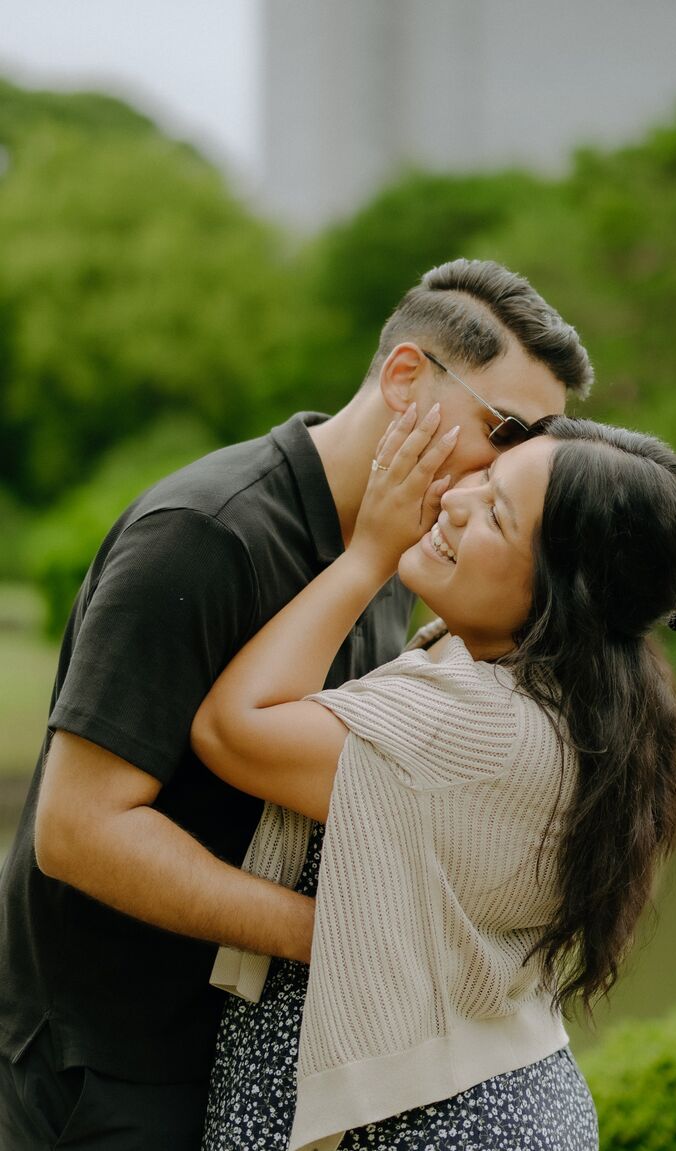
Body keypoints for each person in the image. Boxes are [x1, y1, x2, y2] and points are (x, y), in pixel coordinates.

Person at [0, 259, 593, 1150]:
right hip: (104, 1070)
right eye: (505, 432)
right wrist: (345, 937)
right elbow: (77, 828)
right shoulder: (204, 536)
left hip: (228, 1056)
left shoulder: (399, 551)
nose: (506, 474)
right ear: (403, 380)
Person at [191, 409, 676, 1151]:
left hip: (434, 1124)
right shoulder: (578, 699)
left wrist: (367, 554)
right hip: (486, 1102)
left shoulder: (480, 723)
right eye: (486, 481)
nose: (454, 503)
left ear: (562, 595)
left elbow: (232, 729)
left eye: (496, 515)